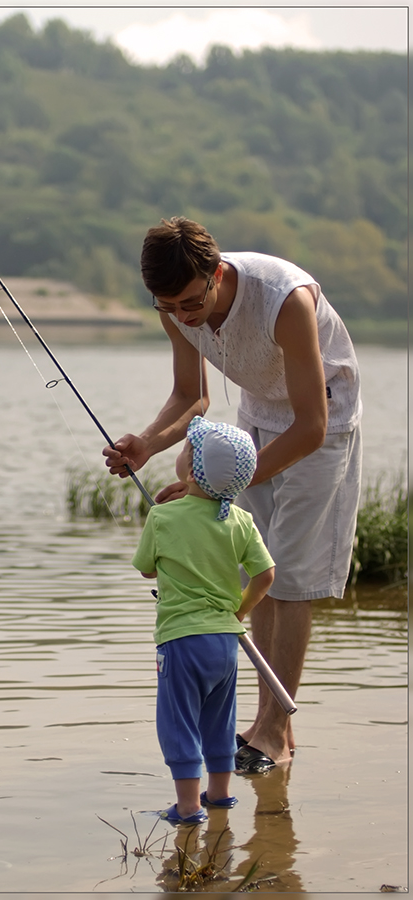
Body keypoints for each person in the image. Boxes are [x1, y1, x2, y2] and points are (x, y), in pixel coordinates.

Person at [105, 217, 362, 772]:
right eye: (169, 307)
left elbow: (311, 425)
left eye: (192, 302)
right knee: (252, 566)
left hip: (323, 420)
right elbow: (191, 395)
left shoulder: (283, 300)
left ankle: (273, 728)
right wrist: (146, 444)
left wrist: (220, 482)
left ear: (217, 273)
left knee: (289, 576)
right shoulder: (174, 306)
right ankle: (272, 723)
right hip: (257, 416)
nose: (183, 315)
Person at [132, 416, 275, 825]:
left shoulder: (163, 517)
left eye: (185, 449)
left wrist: (162, 516)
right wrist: (242, 610)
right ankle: (220, 794)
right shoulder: (242, 521)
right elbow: (266, 575)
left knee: (178, 720)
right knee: (219, 718)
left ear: (192, 470)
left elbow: (146, 570)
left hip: (180, 641)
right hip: (225, 643)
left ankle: (189, 806)